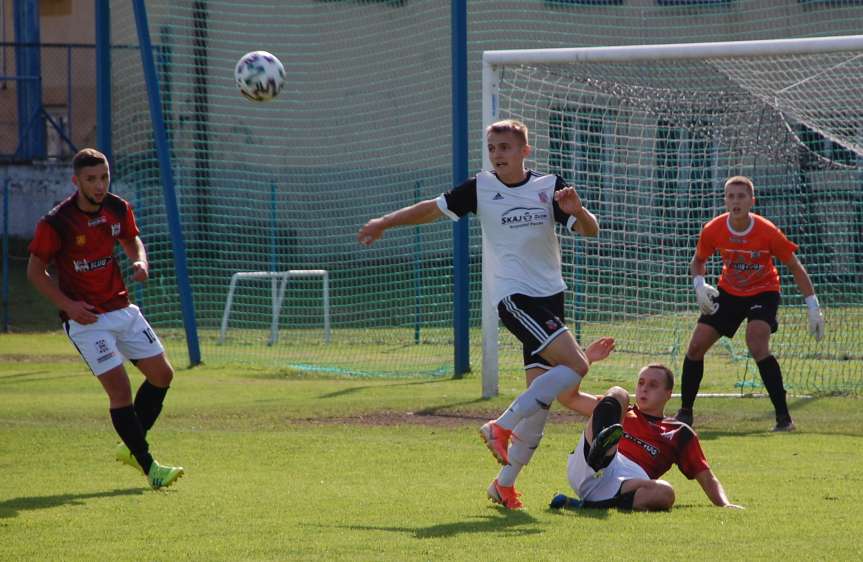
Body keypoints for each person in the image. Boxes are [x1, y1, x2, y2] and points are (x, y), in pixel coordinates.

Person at [358, 119, 599, 509]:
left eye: (505, 147)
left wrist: (579, 210)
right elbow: (431, 209)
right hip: (516, 299)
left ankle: (504, 485)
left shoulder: (550, 187)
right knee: (577, 365)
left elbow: (590, 231)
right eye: (492, 147)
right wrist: (386, 222)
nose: (497, 154)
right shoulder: (480, 188)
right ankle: (499, 426)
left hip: (551, 299)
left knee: (540, 404)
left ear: (525, 150)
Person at [27, 148, 184, 490]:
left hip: (121, 309)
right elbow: (35, 272)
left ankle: (132, 446)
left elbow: (131, 239)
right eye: (91, 179)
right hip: (86, 320)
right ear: (76, 181)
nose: (99, 186)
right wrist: (68, 305)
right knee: (120, 390)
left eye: (103, 177)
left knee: (162, 374)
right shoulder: (56, 223)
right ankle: (149, 466)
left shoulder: (117, 207)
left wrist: (139, 260)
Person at [675, 176, 825, 432]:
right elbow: (698, 259)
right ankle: (685, 414)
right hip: (730, 293)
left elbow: (794, 266)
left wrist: (813, 307)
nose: (736, 201)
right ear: (725, 200)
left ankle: (784, 418)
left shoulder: (767, 231)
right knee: (696, 345)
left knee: (756, 342)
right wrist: (699, 285)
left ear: (751, 201)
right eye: (731, 196)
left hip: (763, 292)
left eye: (741, 196)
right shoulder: (713, 228)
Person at [551, 337, 744, 511]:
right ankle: (600, 452)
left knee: (665, 492)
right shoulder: (620, 411)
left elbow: (707, 477)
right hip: (588, 464)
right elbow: (567, 398)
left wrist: (725, 504)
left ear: (668, 394)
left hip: (625, 484)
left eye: (653, 385)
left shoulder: (679, 432)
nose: (644, 389)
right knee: (619, 393)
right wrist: (586, 359)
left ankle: (585, 505)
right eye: (641, 383)